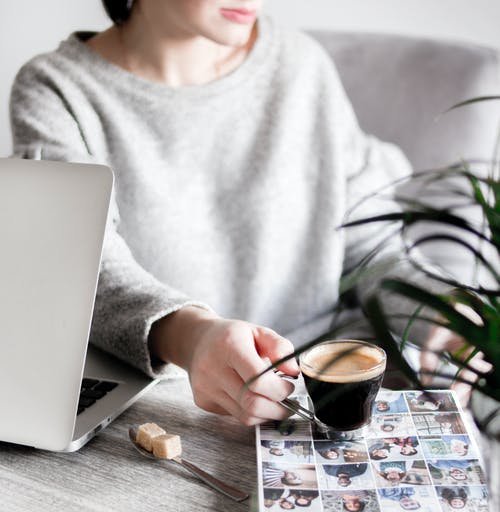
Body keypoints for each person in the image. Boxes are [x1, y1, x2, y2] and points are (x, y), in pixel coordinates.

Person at [10, 0, 473, 427]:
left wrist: (440, 308)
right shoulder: (57, 90)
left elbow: (369, 247)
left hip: (328, 391)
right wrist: (192, 339)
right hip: (172, 405)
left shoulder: (300, 65)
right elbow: (87, 272)